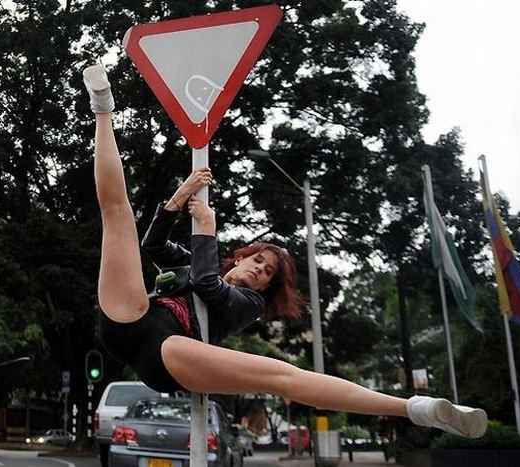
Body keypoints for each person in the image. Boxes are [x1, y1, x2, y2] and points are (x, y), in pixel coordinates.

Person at [82, 63, 488, 438]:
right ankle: (103, 108)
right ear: (240, 257)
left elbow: (209, 285)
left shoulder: (247, 304)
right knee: (118, 216)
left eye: (268, 273)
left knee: (282, 376)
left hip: (171, 353)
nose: (260, 270)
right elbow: (154, 245)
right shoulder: (194, 264)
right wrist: (180, 197)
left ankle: (417, 408)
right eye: (258, 260)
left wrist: (207, 228)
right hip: (133, 317)